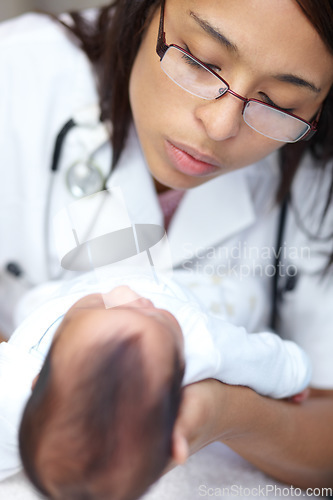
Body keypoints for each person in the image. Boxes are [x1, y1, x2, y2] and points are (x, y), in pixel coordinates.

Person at [0, 0, 332, 490]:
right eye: (198, 60)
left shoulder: (318, 177)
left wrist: (226, 412)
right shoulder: (19, 70)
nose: (221, 126)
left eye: (281, 104)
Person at [1, 267, 308, 500]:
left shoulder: (12, 388)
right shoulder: (199, 341)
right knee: (244, 297)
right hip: (175, 282)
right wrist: (296, 374)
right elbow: (260, 359)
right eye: (158, 318)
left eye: (99, 311)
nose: (129, 295)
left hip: (60, 294)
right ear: (176, 441)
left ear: (36, 382)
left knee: (28, 303)